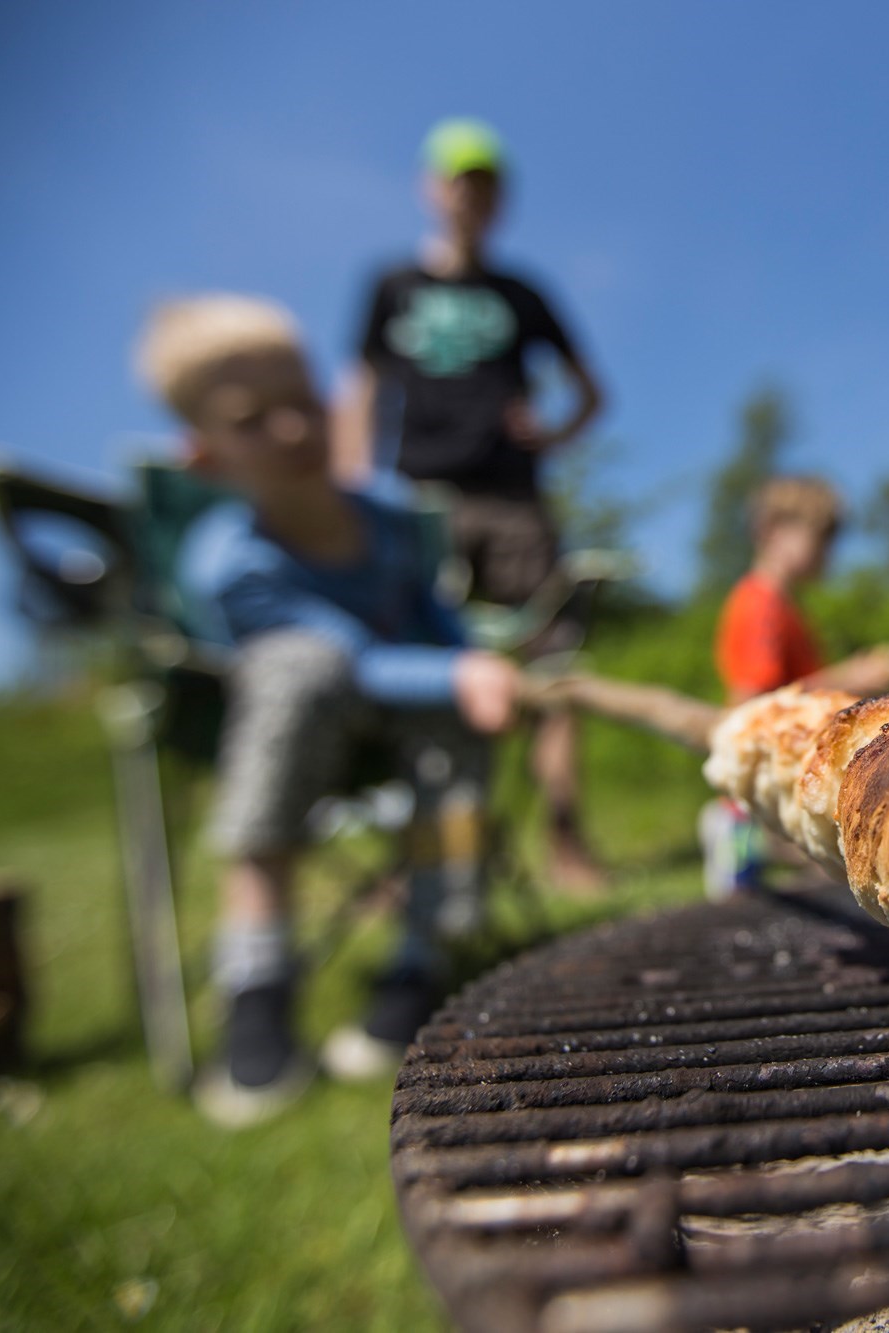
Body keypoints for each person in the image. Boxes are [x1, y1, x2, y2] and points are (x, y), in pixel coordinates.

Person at [140, 294, 547, 1125]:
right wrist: (454, 673)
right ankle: (258, 982)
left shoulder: (390, 519)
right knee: (303, 667)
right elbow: (352, 661)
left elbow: (433, 620)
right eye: (255, 420)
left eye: (302, 403)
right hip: (286, 725)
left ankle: (420, 957)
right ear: (207, 457)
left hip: (403, 720)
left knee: (453, 713)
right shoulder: (232, 563)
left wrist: (474, 660)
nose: (292, 430)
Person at [337, 116, 610, 892]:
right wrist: (351, 481)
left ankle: (564, 840)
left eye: (488, 184)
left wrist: (552, 434)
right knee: (424, 672)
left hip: (516, 502)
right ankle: (423, 855)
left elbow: (593, 390)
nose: (473, 196)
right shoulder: (393, 286)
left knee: (553, 668)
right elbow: (357, 389)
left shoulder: (522, 293)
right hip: (422, 500)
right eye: (461, 180)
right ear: (432, 188)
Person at [701, 476, 889, 892]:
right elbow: (754, 703)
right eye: (822, 539)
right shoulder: (760, 606)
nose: (828, 554)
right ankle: (735, 830)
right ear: (773, 532)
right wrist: (853, 677)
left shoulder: (782, 607)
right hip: (765, 789)